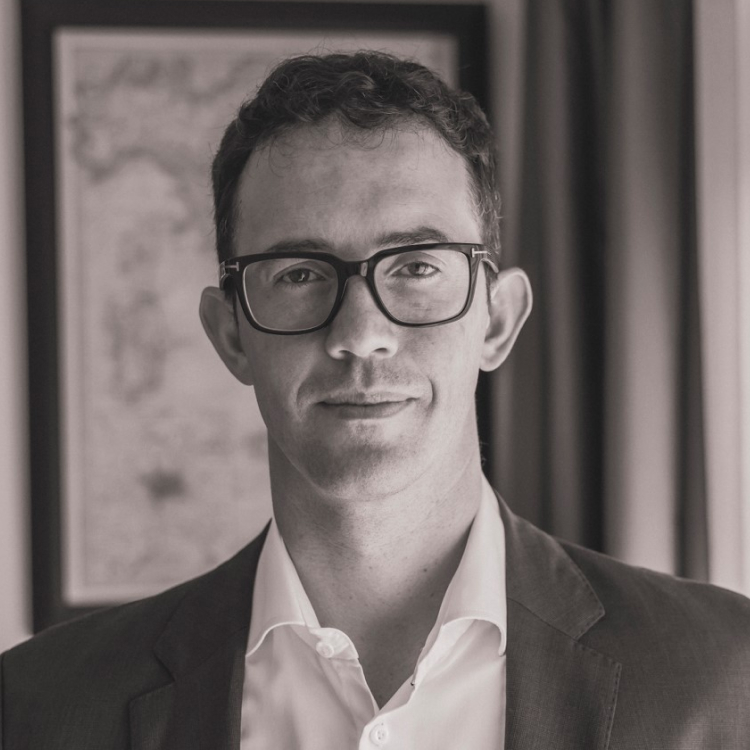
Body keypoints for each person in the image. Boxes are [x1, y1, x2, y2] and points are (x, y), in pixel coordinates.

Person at [2, 51, 750, 750]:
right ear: (231, 334)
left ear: (497, 320)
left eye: (417, 266)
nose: (361, 334)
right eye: (299, 274)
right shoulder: (38, 706)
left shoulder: (726, 675)